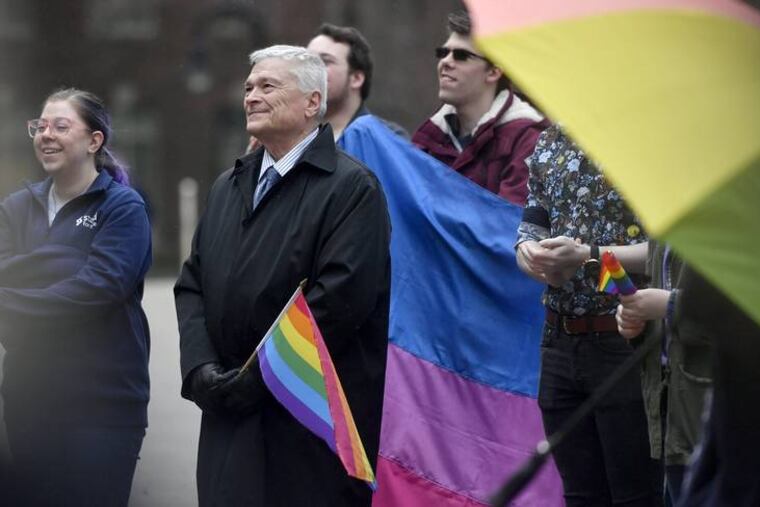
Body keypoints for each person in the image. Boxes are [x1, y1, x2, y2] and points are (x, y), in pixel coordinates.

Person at [175, 45, 390, 507]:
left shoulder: (353, 189)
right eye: (248, 87)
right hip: (228, 421)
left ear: (313, 102)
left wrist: (252, 382)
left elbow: (337, 301)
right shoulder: (227, 185)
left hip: (305, 426)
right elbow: (193, 284)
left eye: (267, 86)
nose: (251, 96)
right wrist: (201, 372)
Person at [0, 88, 151, 506]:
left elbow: (98, 289)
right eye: (40, 126)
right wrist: (68, 261)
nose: (45, 134)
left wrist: (23, 282)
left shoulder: (123, 208)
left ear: (94, 141)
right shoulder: (14, 208)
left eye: (60, 126)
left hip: (104, 405)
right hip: (29, 401)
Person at [515, 124, 660, 506]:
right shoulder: (549, 141)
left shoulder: (650, 139)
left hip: (626, 338)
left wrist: (589, 256)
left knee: (636, 494)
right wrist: (538, 260)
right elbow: (528, 233)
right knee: (581, 496)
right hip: (560, 340)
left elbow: (668, 250)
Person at [412, 10, 548, 206]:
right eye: (443, 53)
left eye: (461, 55)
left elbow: (508, 225)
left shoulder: (528, 140)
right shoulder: (428, 137)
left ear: (493, 72)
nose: (445, 62)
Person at [615, 243, 713, 506]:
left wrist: (671, 305)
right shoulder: (668, 220)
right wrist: (636, 320)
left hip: (718, 420)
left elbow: (744, 310)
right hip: (672, 415)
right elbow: (660, 289)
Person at [306, 22, 408, 141]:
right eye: (307, 61)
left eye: (325, 61)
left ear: (356, 78)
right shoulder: (290, 139)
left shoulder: (387, 139)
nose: (310, 68)